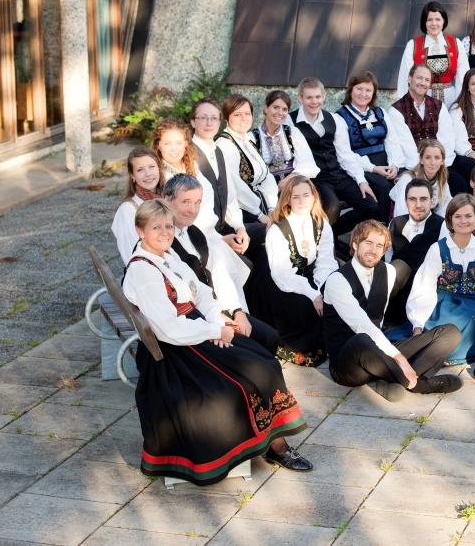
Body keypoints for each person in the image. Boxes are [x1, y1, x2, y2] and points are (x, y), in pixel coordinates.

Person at [122, 199, 311, 484]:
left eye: (168, 227)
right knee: (254, 371)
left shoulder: (165, 255)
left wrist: (218, 320)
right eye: (156, 227)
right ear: (140, 231)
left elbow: (200, 292)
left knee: (262, 360)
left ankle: (274, 445)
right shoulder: (144, 271)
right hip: (176, 353)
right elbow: (168, 328)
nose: (164, 233)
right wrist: (213, 331)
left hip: (195, 330)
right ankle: (275, 447)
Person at [323, 220, 464, 402]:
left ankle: (392, 380)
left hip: (380, 352)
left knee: (450, 333)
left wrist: (401, 349)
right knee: (362, 339)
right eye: (368, 243)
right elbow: (362, 325)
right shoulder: (337, 280)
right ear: (355, 243)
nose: (373, 250)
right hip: (348, 364)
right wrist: (400, 358)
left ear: (384, 250)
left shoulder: (388, 272)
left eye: (379, 246)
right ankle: (420, 384)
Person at [162, 174, 277, 356]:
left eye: (197, 202)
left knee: (270, 337)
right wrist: (218, 321)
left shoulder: (194, 232)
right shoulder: (164, 241)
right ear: (167, 200)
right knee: (260, 346)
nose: (192, 209)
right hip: (195, 318)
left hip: (215, 305)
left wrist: (237, 311)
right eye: (185, 202)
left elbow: (220, 272)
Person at [405, 195, 475, 365]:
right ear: (450, 220)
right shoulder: (438, 249)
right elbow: (424, 287)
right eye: (457, 216)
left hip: (472, 307)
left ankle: (445, 353)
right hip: (443, 306)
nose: (463, 221)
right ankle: (441, 352)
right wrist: (418, 324)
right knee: (457, 328)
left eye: (468, 216)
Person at [258, 174, 339, 366]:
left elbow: (326, 261)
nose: (302, 201)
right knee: (305, 307)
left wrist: (321, 289)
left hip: (307, 275)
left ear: (314, 197)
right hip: (279, 282)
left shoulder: (320, 222)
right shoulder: (278, 229)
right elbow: (282, 274)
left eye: (306, 195)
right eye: (296, 197)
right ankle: (300, 347)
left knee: (334, 296)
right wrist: (312, 295)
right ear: (287, 199)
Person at [289, 76, 381, 233]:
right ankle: (326, 241)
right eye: (309, 97)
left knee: (370, 206)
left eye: (318, 97)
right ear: (300, 98)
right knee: (332, 207)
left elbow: (345, 155)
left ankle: (332, 235)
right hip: (316, 179)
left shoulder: (335, 119)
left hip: (338, 175)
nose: (314, 101)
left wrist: (361, 181)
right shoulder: (290, 121)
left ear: (324, 96)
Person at [152, 118, 250, 257]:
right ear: (158, 145)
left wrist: (239, 228)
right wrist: (221, 241)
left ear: (186, 143)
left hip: (214, 233)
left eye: (179, 143)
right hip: (193, 244)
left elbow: (227, 200)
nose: (174, 149)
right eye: (167, 143)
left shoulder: (192, 166)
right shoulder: (161, 179)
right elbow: (183, 225)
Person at [336, 70, 407, 221]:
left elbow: (392, 141)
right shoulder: (340, 117)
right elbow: (345, 154)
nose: (363, 94)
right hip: (361, 166)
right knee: (384, 189)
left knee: (407, 183)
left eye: (368, 90)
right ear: (351, 90)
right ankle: (382, 230)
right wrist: (374, 168)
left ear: (373, 93)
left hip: (386, 164)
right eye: (359, 89)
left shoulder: (380, 112)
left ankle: (400, 227)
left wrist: (394, 165)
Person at [389, 64, 467, 193]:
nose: (423, 83)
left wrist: (440, 164)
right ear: (409, 79)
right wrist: (424, 169)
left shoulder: (438, 106)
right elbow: (406, 145)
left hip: (440, 164)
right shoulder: (396, 110)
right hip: (413, 167)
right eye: (419, 78)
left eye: (427, 80)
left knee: (460, 185)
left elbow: (447, 139)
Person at [188, 99, 251, 242]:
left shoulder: (219, 152)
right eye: (203, 118)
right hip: (203, 237)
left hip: (225, 228)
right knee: (250, 264)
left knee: (271, 231)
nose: (209, 123)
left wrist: (240, 228)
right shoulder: (188, 155)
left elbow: (230, 198)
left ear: (219, 122)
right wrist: (222, 241)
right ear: (193, 122)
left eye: (214, 118)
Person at [385, 179, 447, 327]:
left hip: (424, 297)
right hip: (395, 295)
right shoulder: (395, 223)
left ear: (431, 202)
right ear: (406, 202)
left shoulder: (442, 225)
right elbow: (387, 260)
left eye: (423, 199)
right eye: (412, 199)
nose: (418, 205)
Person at [216, 94, 278, 229]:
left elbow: (266, 175)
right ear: (227, 118)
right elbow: (236, 186)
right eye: (237, 114)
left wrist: (272, 207)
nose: (244, 118)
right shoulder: (225, 144)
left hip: (262, 203)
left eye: (247, 113)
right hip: (242, 211)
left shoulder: (248, 139)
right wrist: (260, 215)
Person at [396, 1, 469, 108]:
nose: (434, 23)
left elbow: (463, 78)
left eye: (438, 19)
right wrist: (406, 106)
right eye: (429, 20)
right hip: (422, 100)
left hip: (451, 100)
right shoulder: (413, 45)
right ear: (424, 23)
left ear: (444, 21)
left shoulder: (456, 43)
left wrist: (460, 104)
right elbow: (404, 79)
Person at [112, 147, 164, 266]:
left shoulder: (166, 198)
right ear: (132, 176)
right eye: (140, 170)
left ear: (159, 169)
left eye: (152, 167)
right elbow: (132, 255)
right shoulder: (128, 210)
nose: (148, 174)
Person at [253, 90, 318, 183]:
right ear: (266, 108)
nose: (280, 112)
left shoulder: (292, 132)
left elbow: (308, 164)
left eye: (285, 109)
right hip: (266, 190)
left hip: (293, 186)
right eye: (276, 107)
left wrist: (288, 181)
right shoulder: (252, 137)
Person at [391, 139, 454, 218]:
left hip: (424, 217)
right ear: (421, 160)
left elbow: (444, 211)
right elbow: (401, 214)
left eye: (437, 158)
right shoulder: (408, 179)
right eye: (427, 157)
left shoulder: (442, 181)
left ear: (442, 161)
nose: (432, 162)